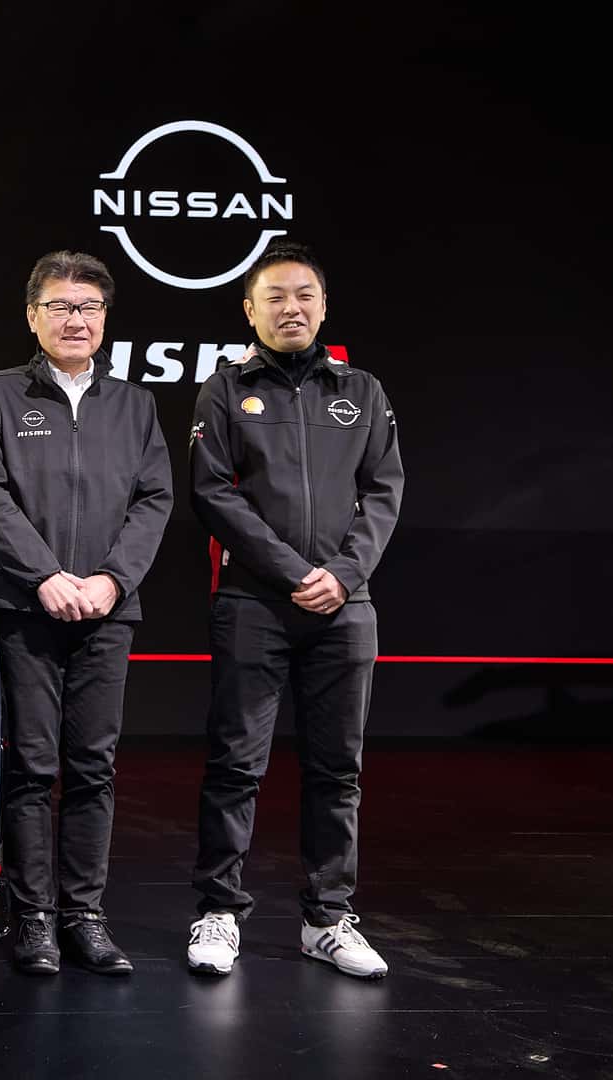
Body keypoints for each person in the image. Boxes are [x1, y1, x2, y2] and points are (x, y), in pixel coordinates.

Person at [184, 240, 403, 980]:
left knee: (338, 769)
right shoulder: (224, 390)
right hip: (253, 602)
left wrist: (342, 574)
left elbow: (384, 491)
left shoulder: (362, 390)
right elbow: (213, 494)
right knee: (236, 764)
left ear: (324, 305)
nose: (291, 307)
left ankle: (328, 919)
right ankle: (219, 911)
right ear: (249, 310)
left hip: (346, 606)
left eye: (304, 294)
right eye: (274, 296)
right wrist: (292, 572)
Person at [0, 251, 172, 975]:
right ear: (33, 316)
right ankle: (34, 918)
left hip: (109, 611)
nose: (75, 319)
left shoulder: (135, 404)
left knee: (93, 767)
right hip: (25, 606)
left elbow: (154, 500)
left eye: (88, 307)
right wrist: (45, 576)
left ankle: (85, 915)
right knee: (31, 766)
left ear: (104, 318)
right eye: (59, 306)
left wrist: (113, 580)